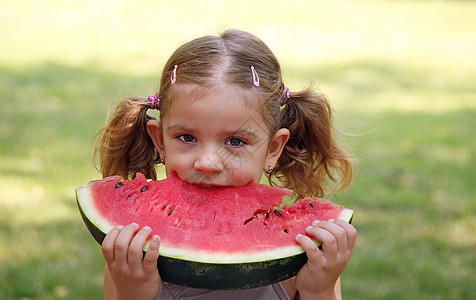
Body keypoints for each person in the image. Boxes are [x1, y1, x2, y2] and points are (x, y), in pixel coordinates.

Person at [94, 29, 357, 300]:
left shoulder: (303, 254)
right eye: (186, 137)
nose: (208, 162)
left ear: (273, 149)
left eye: (235, 142)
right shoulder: (132, 254)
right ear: (159, 141)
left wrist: (319, 289)